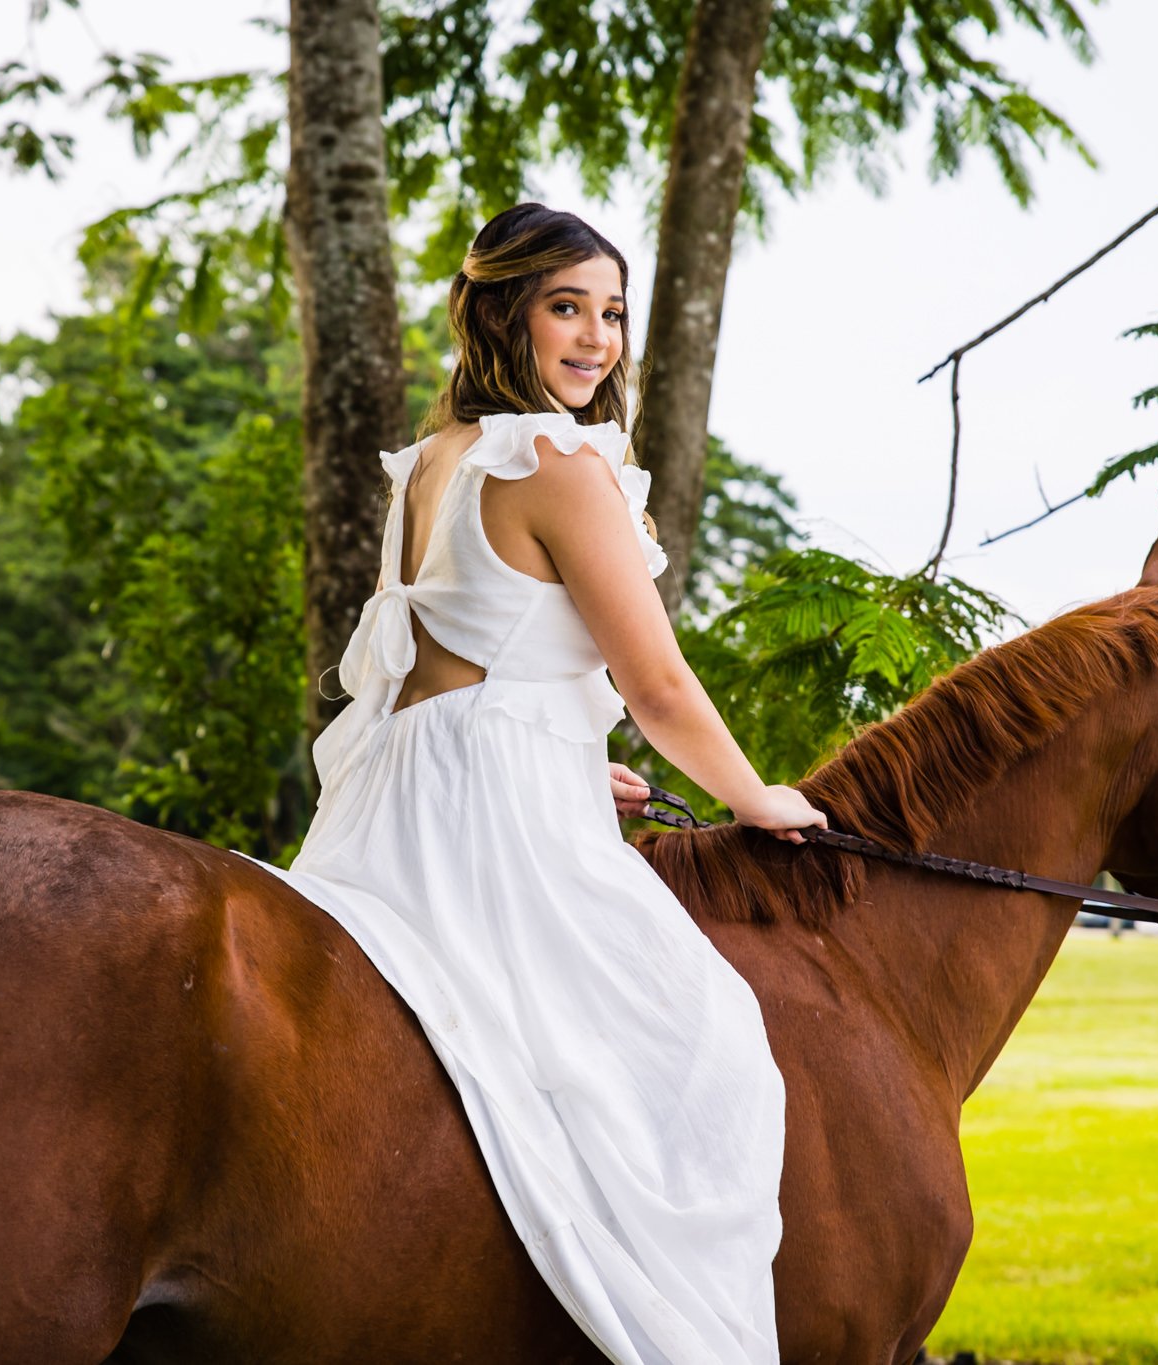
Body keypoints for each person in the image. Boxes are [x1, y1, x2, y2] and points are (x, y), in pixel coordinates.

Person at [231, 201, 830, 1365]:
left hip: (402, 799)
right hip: (488, 827)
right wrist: (756, 797)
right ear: (499, 311)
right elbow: (653, 684)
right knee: (703, 1044)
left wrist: (561, 748)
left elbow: (456, 663)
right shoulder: (553, 463)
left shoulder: (431, 464)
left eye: (611, 313)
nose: (596, 338)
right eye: (566, 308)